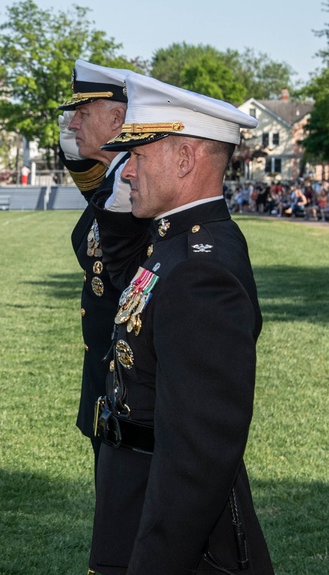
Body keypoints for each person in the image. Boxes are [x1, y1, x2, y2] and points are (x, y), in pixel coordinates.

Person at [88, 74, 273, 573]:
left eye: (139, 157)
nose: (125, 174)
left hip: (166, 524)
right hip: (132, 491)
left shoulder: (199, 267)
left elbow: (197, 455)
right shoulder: (171, 241)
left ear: (186, 159)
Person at [57, 60, 146, 468]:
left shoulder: (133, 185)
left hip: (129, 383)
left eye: (83, 113)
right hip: (108, 377)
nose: (73, 124)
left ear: (117, 119)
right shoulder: (114, 178)